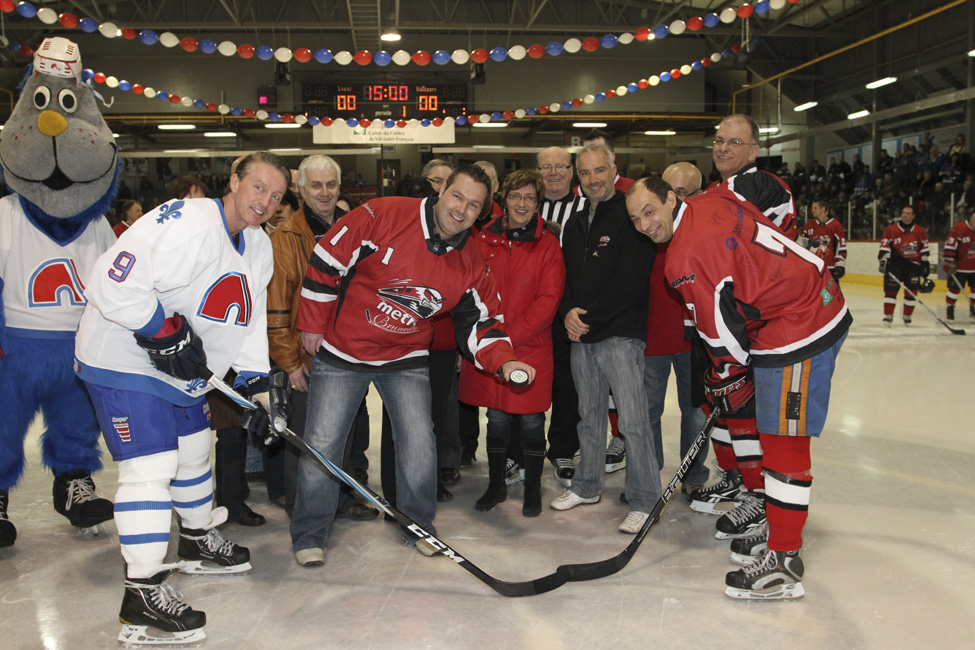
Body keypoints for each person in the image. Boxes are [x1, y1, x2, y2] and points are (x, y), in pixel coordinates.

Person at [74, 152, 291, 643]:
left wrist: (255, 386)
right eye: (258, 187)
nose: (266, 202)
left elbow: (248, 318)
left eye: (276, 196)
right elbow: (111, 280)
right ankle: (142, 594)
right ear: (233, 181)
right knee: (151, 467)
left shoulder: (258, 245)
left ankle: (195, 542)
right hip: (124, 359)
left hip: (183, 370)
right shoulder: (186, 222)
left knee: (194, 451)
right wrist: (161, 330)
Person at [291, 164, 535, 565]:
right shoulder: (383, 214)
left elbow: (484, 320)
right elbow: (326, 259)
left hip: (405, 358)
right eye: (457, 196)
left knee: (420, 443)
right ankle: (309, 534)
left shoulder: (472, 259)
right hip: (344, 351)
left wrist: (504, 361)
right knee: (323, 444)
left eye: (474, 205)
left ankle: (419, 526)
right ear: (441, 191)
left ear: (483, 211)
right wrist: (313, 323)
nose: (461, 210)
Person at [626, 175, 851, 599]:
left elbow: (723, 338)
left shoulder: (683, 258)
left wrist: (725, 376)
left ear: (672, 198)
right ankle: (777, 525)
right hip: (801, 303)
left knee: (783, 442)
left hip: (800, 324)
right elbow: (771, 188)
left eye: (650, 211)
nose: (644, 225)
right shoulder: (716, 195)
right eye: (636, 219)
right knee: (771, 431)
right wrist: (779, 251)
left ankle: (783, 561)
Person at [687, 114, 797, 538]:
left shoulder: (761, 186)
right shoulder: (719, 190)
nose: (724, 148)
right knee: (721, 403)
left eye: (735, 142)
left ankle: (758, 492)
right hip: (720, 316)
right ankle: (735, 477)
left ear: (754, 151)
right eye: (719, 140)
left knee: (744, 406)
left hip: (753, 321)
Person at [550, 143, 660, 535]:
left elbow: (629, 284)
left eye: (600, 171)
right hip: (582, 336)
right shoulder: (576, 224)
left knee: (632, 421)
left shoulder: (630, 218)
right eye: (585, 173)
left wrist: (586, 318)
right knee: (589, 417)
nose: (593, 179)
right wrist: (566, 313)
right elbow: (564, 279)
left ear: (614, 171)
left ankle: (646, 499)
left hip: (619, 336)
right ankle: (586, 485)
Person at [266, 155, 375, 522]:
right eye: (316, 185)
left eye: (331, 185)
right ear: (299, 189)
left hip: (348, 352)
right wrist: (290, 361)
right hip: (306, 354)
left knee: (342, 433)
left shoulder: (354, 227)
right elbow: (278, 307)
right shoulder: (287, 238)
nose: (325, 193)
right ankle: (304, 511)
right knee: (305, 440)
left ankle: (340, 502)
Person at [459, 170, 565, 517]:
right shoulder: (482, 239)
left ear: (538, 204)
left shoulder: (548, 244)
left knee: (533, 421)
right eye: (516, 196)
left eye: (530, 198)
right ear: (503, 199)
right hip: (492, 350)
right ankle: (496, 485)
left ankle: (533, 487)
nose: (522, 204)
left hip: (529, 348)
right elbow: (471, 293)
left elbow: (548, 301)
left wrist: (507, 341)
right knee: (498, 420)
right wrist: (494, 346)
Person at [647, 162, 710, 495]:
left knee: (695, 412)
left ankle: (694, 474)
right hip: (653, 338)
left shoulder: (705, 232)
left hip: (695, 341)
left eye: (680, 193)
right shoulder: (647, 228)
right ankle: (647, 474)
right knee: (647, 412)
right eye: (665, 191)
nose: (670, 200)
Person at [535, 146, 588, 488]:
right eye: (546, 167)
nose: (553, 172)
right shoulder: (527, 204)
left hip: (570, 309)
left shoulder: (587, 206)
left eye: (560, 166)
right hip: (534, 306)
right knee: (532, 377)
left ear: (572, 171)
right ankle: (524, 448)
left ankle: (563, 449)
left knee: (569, 382)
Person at [879, 205, 930, 325]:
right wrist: (884, 261)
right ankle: (888, 315)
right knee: (890, 291)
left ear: (913, 216)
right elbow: (884, 247)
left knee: (911, 292)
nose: (904, 215)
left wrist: (925, 263)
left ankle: (907, 315)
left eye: (908, 213)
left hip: (913, 266)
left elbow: (924, 248)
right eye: (903, 212)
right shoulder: (890, 230)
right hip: (895, 265)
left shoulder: (920, 231)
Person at [800, 200, 848, 284]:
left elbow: (841, 245)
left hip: (830, 268)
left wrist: (840, 264)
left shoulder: (835, 225)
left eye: (815, 208)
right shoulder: (808, 225)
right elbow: (801, 245)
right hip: (813, 267)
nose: (812, 210)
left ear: (823, 209)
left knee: (832, 295)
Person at [943, 210, 975, 321]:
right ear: (971, 221)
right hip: (959, 268)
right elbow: (950, 247)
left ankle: (973, 311)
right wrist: (950, 263)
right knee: (954, 290)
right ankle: (950, 310)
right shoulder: (958, 228)